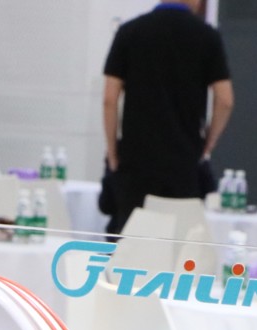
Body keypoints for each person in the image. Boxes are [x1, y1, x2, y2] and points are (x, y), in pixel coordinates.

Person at [100, 0, 234, 235]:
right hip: (183, 162)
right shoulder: (207, 36)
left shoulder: (130, 31)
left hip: (136, 162)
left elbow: (110, 99)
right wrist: (207, 144)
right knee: (179, 242)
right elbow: (225, 100)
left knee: (132, 243)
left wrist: (113, 153)